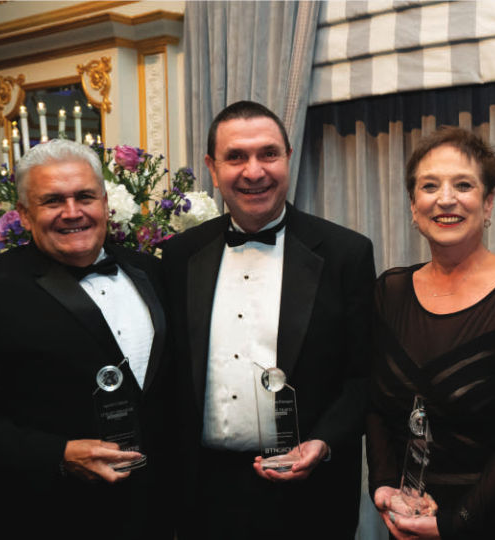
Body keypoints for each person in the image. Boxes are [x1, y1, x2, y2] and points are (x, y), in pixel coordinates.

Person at [162, 100, 375, 539]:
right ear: (211, 165)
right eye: (236, 156)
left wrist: (324, 442)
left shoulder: (345, 254)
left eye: (268, 154)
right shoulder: (180, 256)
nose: (254, 171)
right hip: (204, 494)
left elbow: (364, 375)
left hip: (309, 494)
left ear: (288, 157)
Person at [367, 127, 495, 539]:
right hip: (411, 521)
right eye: (429, 186)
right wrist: (385, 487)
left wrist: (455, 523)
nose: (445, 199)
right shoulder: (390, 291)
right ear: (412, 205)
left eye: (463, 184)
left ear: (488, 202)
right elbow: (377, 408)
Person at [0, 139, 171, 539]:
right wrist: (56, 455)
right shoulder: (0, 286)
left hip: (153, 513)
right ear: (23, 214)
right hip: (47, 514)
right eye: (52, 200)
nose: (72, 213)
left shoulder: (151, 271)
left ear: (106, 203)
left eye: (85, 197)